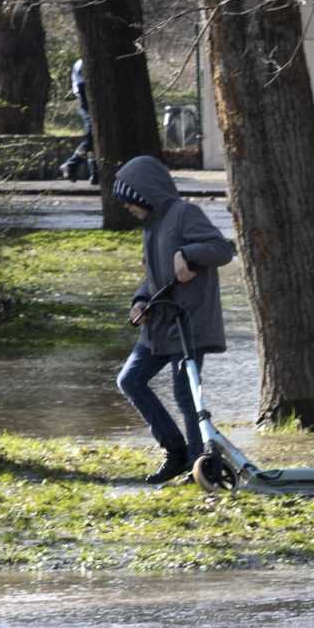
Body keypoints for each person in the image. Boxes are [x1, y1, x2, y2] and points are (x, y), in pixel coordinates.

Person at [113, 156, 237, 484]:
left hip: (188, 325)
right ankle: (176, 452)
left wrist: (187, 254)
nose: (126, 206)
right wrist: (140, 301)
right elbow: (153, 278)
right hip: (157, 326)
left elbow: (221, 249)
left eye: (128, 199)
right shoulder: (151, 227)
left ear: (143, 193)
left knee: (186, 396)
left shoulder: (184, 214)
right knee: (130, 380)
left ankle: (201, 466)